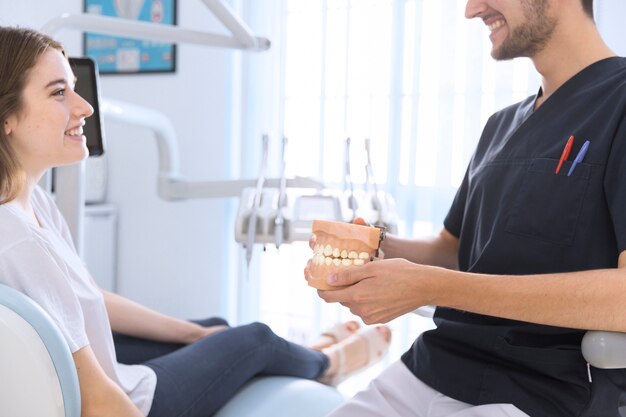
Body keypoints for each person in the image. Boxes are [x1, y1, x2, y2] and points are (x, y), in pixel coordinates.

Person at [0, 26, 393, 417]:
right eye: (58, 92)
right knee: (254, 340)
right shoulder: (20, 240)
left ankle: (310, 352)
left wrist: (197, 335)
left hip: (99, 362)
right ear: (6, 118)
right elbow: (96, 399)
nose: (84, 106)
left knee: (215, 326)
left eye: (73, 87)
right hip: (135, 399)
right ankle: (328, 364)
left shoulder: (36, 205)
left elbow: (86, 297)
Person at [310, 0, 626, 416]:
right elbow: (454, 249)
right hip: (434, 366)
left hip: (545, 392)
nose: (472, 9)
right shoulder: (500, 125)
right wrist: (371, 251)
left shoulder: (618, 102)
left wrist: (430, 286)